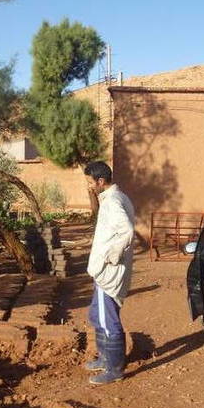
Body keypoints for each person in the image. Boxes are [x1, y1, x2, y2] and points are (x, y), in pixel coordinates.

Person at [83, 161, 135, 385]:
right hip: (104, 270)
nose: (89, 186)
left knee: (107, 319)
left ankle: (114, 369)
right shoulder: (116, 198)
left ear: (101, 181)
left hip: (109, 272)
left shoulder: (112, 202)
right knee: (98, 315)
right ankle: (105, 359)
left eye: (90, 182)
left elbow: (127, 231)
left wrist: (112, 255)